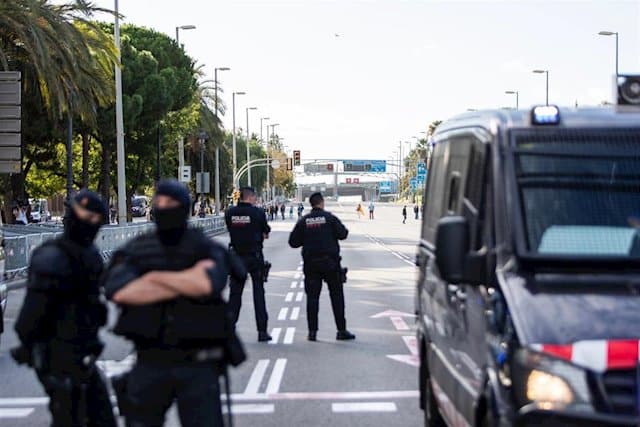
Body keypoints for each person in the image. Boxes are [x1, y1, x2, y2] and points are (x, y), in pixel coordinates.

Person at [103, 180, 239, 427]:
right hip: (150, 359)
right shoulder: (138, 248)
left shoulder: (204, 247)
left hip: (198, 361)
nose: (165, 207)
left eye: (171, 203)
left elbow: (208, 284)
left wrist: (153, 277)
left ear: (183, 207)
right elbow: (119, 291)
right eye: (160, 202)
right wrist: (186, 278)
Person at [13, 190, 116, 427]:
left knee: (99, 415)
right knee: (70, 417)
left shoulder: (90, 255)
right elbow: (29, 318)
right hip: (58, 358)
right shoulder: (51, 257)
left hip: (81, 354)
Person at [289, 192, 355, 342]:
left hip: (311, 265)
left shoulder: (304, 221)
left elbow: (293, 242)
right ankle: (341, 330)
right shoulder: (330, 218)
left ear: (311, 204)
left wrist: (307, 238)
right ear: (322, 203)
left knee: (312, 298)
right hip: (331, 264)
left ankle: (312, 333)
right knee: (337, 297)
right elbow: (343, 234)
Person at [226, 187, 272, 342]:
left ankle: (229, 330)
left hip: (236, 257)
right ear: (251, 197)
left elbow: (230, 229)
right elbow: (266, 233)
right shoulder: (258, 213)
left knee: (235, 295)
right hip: (255, 257)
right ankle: (262, 332)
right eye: (255, 197)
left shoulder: (230, 213)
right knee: (258, 293)